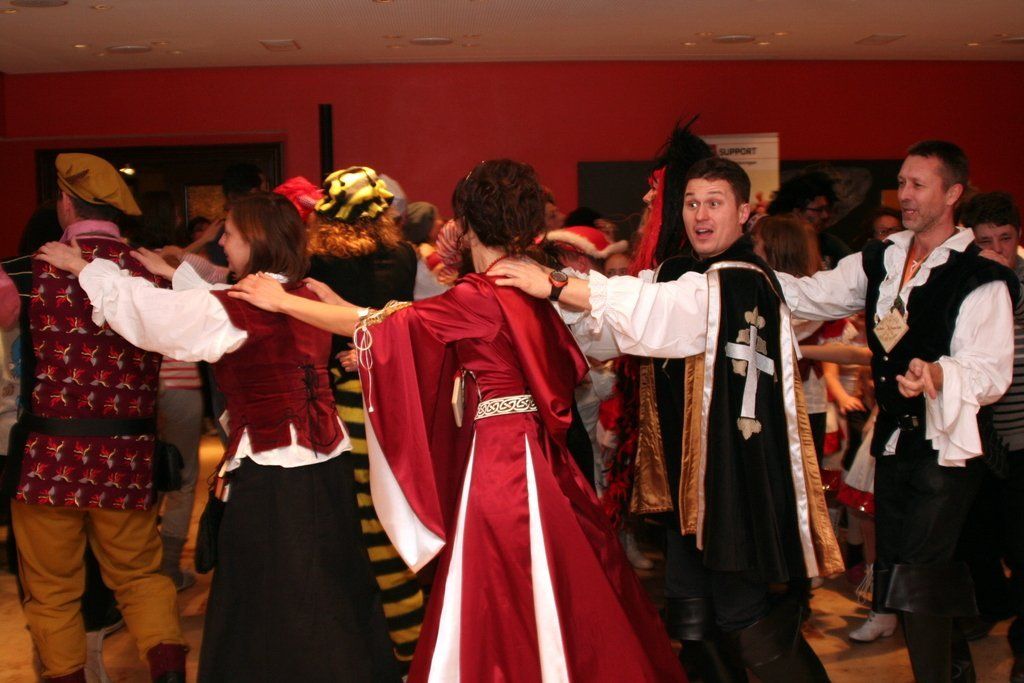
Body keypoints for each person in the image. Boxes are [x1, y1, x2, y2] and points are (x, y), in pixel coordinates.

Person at [230, 159, 686, 682]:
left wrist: (283, 302)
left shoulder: (482, 291)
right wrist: (361, 328)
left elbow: (380, 323)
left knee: (500, 579)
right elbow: (418, 329)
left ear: (466, 225)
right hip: (536, 447)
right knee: (551, 576)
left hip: (502, 457)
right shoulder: (527, 283)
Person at [492, 156, 841, 682]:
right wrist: (552, 293)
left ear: (743, 214)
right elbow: (620, 323)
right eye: (692, 203)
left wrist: (558, 286)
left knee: (742, 613)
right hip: (688, 480)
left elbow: (659, 313)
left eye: (715, 203)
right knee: (692, 611)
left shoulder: (740, 279)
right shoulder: (683, 273)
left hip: (732, 478)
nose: (701, 214)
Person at [37, 191, 400, 683]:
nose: (222, 243)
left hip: (276, 475)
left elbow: (159, 318)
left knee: (275, 600)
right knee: (329, 589)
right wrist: (173, 276)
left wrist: (88, 270)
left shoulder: (244, 306)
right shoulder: (307, 293)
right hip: (325, 466)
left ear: (255, 239)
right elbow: (218, 302)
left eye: (229, 234)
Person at [770, 141, 1017, 682]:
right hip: (894, 442)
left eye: (918, 185)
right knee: (910, 573)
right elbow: (813, 295)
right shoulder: (882, 258)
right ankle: (954, 672)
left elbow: (990, 370)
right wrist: (745, 278)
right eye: (902, 182)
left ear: (952, 194)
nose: (904, 194)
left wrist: (939, 374)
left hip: (947, 446)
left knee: (919, 576)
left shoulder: (979, 275)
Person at [0, 154, 187, 683]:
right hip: (127, 457)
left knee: (52, 589)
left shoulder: (22, 272)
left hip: (48, 459)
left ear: (64, 202)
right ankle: (169, 672)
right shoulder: (152, 271)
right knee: (140, 575)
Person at [286, 169, 425, 674]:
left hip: (342, 402)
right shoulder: (406, 256)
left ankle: (395, 653)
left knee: (355, 527)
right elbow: (413, 320)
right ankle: (410, 648)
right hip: (396, 398)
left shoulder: (315, 262)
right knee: (392, 519)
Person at [960, 191, 1024, 680]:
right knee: (977, 536)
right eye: (986, 241)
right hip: (978, 440)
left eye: (1005, 238)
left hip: (1020, 437)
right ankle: (991, 605)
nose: (997, 250)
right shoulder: (968, 282)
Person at [768, 171, 850, 269]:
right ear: (796, 212)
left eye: (827, 209)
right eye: (818, 210)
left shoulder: (831, 246)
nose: (825, 215)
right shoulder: (775, 246)